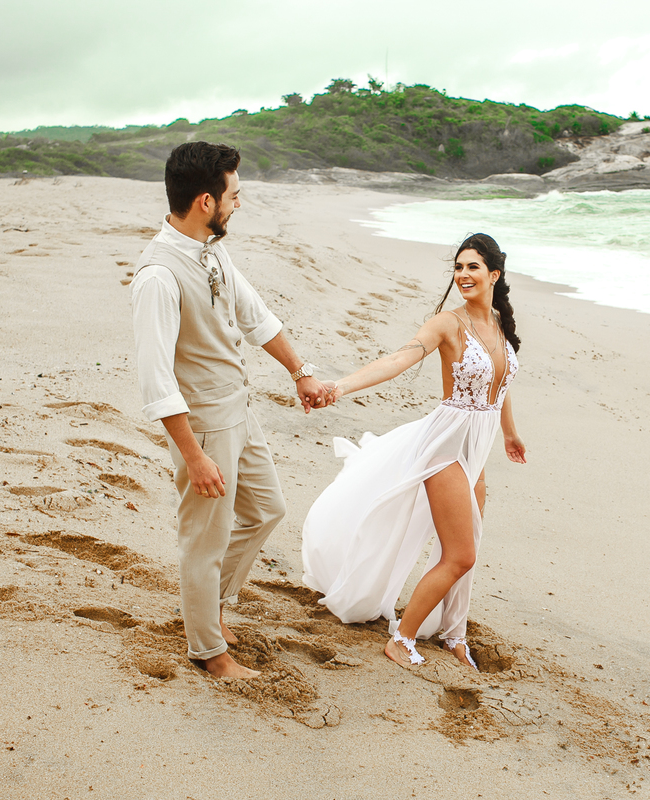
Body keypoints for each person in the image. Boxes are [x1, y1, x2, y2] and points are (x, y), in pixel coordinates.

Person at [130, 142, 331, 680]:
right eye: (233, 195)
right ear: (204, 200)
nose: (238, 204)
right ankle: (209, 651)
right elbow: (156, 381)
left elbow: (254, 315)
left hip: (240, 408)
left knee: (267, 509)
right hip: (202, 424)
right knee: (205, 537)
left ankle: (210, 607)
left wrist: (300, 371)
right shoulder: (157, 277)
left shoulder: (212, 247)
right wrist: (194, 457)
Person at [303, 233, 526, 670]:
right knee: (460, 553)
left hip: (477, 446)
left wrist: (509, 433)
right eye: (458, 268)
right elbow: (398, 359)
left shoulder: (499, 324)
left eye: (472, 267)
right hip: (446, 444)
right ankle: (402, 638)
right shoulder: (448, 322)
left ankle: (454, 634)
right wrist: (339, 387)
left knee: (470, 548)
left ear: (494, 274)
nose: (463, 275)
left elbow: (501, 383)